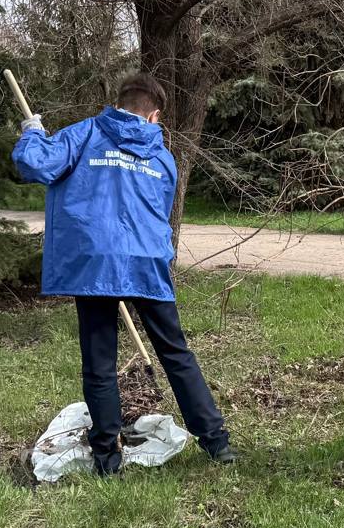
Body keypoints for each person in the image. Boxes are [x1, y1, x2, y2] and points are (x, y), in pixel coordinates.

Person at [12, 73, 237, 475]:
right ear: (153, 115)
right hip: (145, 262)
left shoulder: (83, 134)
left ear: (120, 102)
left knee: (100, 361)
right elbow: (162, 207)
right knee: (176, 353)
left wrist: (33, 133)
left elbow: (35, 163)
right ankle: (216, 443)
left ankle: (107, 459)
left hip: (95, 263)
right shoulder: (162, 156)